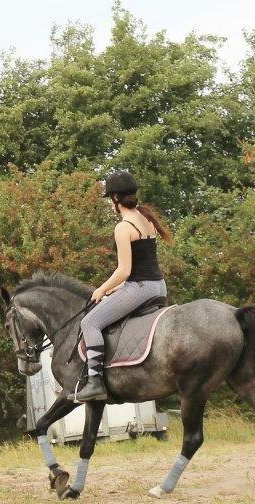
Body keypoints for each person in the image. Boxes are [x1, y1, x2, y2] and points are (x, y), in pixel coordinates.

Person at [70, 170, 172, 402]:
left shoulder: (124, 227)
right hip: (158, 286)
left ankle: (95, 382)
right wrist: (115, 289)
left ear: (115, 198)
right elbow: (141, 265)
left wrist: (102, 289)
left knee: (90, 322)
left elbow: (124, 271)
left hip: (141, 288)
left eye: (110, 199)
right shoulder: (146, 218)